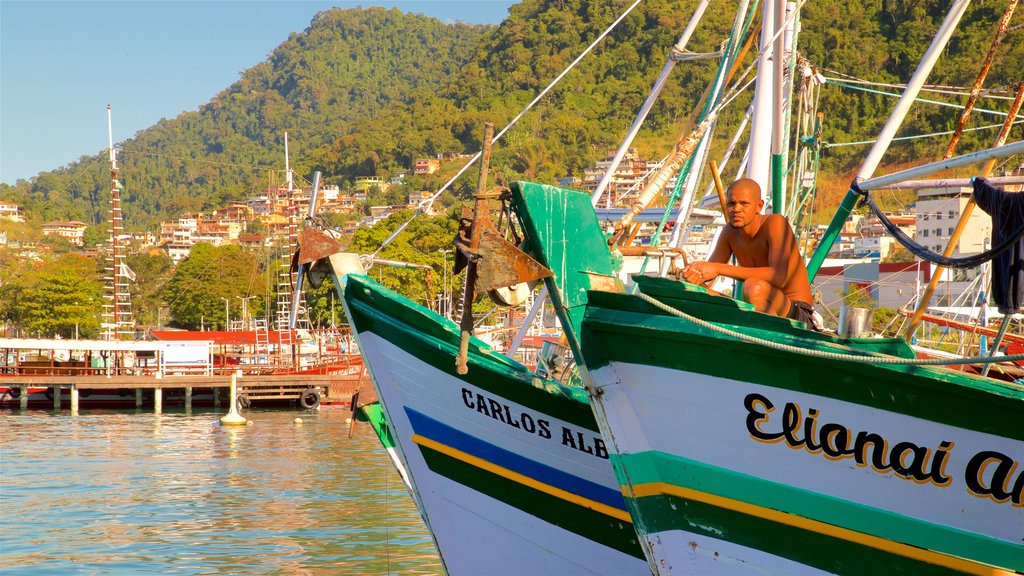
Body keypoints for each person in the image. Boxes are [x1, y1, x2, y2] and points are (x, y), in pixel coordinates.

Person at [682, 178, 816, 326]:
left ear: (759, 206)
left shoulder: (775, 223)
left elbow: (779, 276)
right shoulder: (729, 232)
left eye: (744, 203)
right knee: (694, 291)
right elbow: (707, 277)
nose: (736, 209)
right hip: (759, 308)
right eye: (731, 203)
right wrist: (694, 274)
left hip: (797, 314)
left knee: (753, 286)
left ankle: (770, 342)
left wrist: (719, 269)